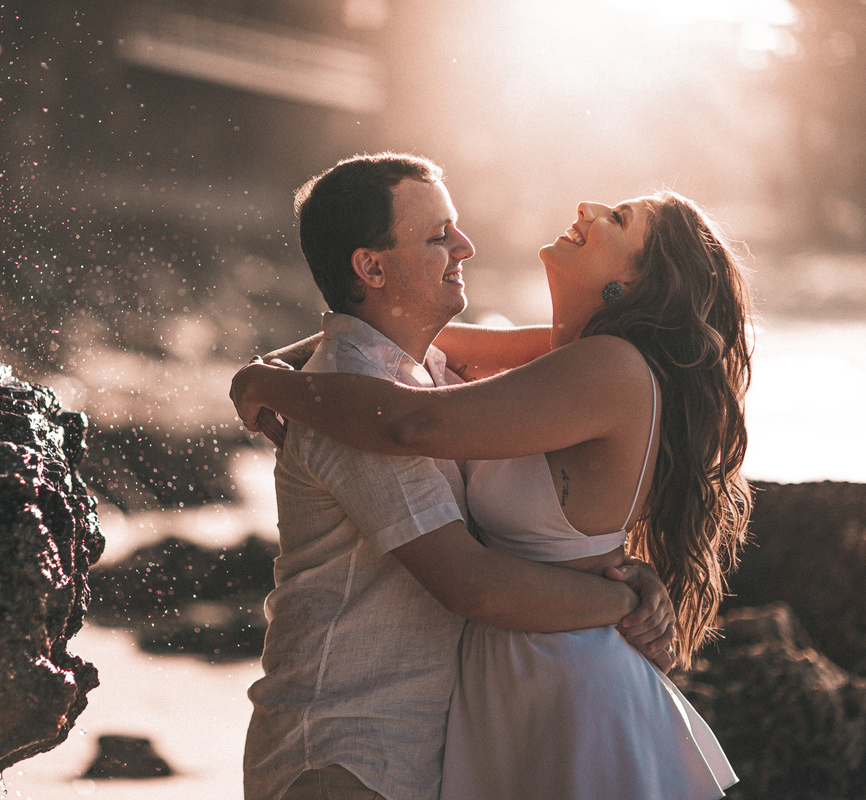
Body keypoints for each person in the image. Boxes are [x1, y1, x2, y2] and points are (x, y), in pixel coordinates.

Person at [232, 185, 752, 799]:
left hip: (568, 679)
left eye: (618, 219)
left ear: (638, 281)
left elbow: (412, 422)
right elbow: (391, 345)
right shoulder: (566, 357)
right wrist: (264, 370)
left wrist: (270, 386)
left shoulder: (609, 366)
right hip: (508, 674)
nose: (586, 207)